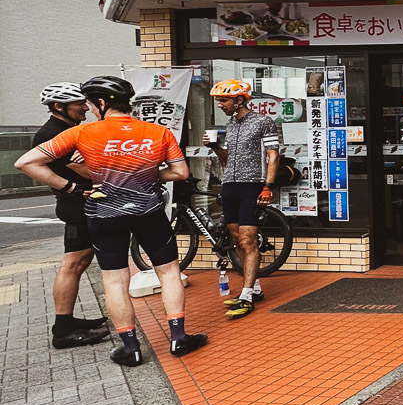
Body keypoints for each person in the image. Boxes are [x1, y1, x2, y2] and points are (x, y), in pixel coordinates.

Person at [14, 76, 207, 366]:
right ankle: (178, 338)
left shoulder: (82, 133)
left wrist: (69, 188)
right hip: (149, 213)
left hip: (104, 213)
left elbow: (25, 163)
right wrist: (144, 176)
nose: (89, 109)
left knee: (115, 279)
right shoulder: (158, 131)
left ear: (102, 103)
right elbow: (180, 173)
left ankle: (131, 348)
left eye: (91, 104)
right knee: (168, 272)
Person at [32, 83, 110, 349]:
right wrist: (74, 187)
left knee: (80, 260)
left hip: (81, 204)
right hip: (76, 205)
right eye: (79, 104)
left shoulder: (66, 130)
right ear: (59, 107)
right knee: (73, 263)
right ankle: (62, 330)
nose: (85, 108)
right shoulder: (52, 134)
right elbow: (84, 170)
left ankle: (68, 321)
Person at [204, 79, 282, 319]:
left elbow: (273, 155)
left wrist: (268, 186)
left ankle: (246, 295)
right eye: (218, 100)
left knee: (248, 241)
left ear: (239, 100)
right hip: (230, 185)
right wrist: (216, 146)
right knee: (237, 239)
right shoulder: (231, 125)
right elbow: (227, 159)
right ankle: (255, 288)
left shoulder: (263, 121)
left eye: (223, 100)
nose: (219, 104)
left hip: (252, 185)